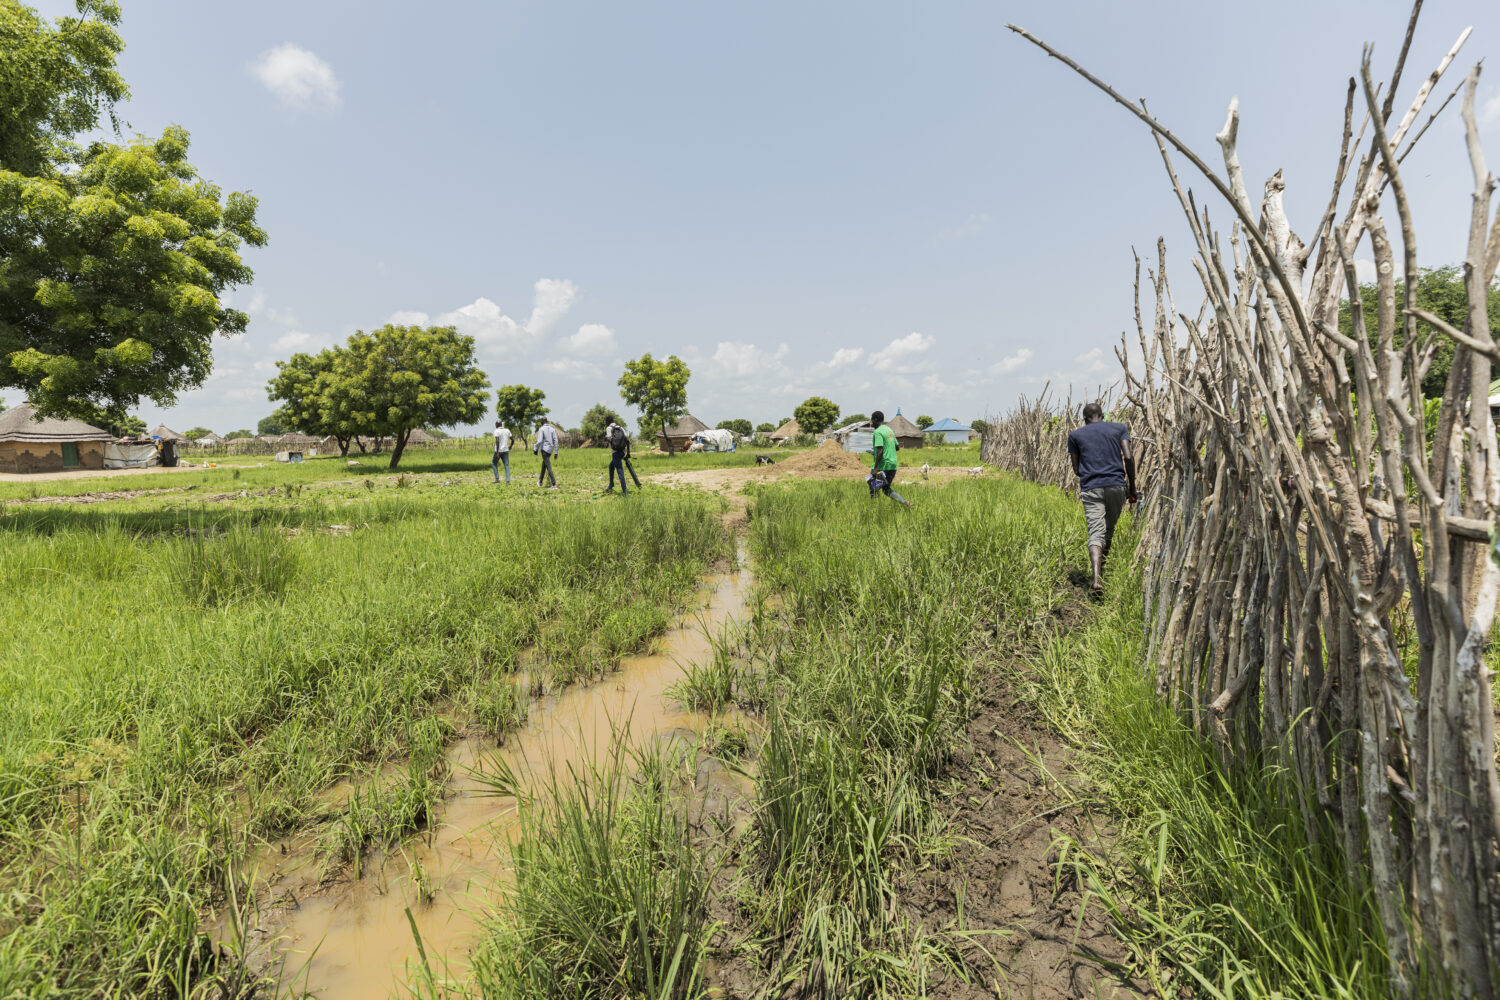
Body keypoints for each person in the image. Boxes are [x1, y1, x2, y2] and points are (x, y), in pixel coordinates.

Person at [1067, 402, 1137, 593]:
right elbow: (1128, 457)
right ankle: (1102, 571)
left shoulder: (1075, 435)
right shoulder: (1119, 428)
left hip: (1091, 488)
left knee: (1096, 532)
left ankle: (1097, 578)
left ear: (1084, 418)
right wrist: (1132, 487)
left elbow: (1076, 469)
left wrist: (1091, 471)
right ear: (1102, 415)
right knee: (1109, 529)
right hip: (1116, 486)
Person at [867, 410, 910, 506]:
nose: (872, 423)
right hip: (892, 465)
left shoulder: (877, 432)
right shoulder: (889, 430)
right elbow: (897, 447)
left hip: (883, 466)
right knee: (886, 489)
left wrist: (875, 468)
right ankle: (905, 503)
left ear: (875, 419)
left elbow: (880, 450)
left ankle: (874, 508)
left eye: (872, 420)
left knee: (873, 487)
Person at [604, 420, 631, 495]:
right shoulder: (621, 428)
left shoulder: (609, 428)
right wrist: (628, 453)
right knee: (611, 466)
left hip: (615, 452)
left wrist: (608, 441)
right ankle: (611, 485)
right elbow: (627, 440)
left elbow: (609, 438)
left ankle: (625, 490)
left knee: (620, 470)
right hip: (623, 451)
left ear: (607, 423)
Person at [534, 417, 558, 488]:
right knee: (544, 465)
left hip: (544, 450)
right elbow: (556, 441)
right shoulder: (552, 429)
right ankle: (540, 482)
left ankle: (554, 484)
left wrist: (535, 449)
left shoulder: (541, 429)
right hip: (550, 450)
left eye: (540, 421)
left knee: (548, 467)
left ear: (542, 422)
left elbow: (539, 441)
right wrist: (556, 452)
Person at [491, 419, 512, 483]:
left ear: (496, 425)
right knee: (506, 465)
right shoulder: (507, 430)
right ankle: (507, 480)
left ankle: (497, 479)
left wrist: (497, 452)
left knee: (494, 463)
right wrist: (511, 446)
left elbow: (497, 441)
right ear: (501, 424)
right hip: (505, 450)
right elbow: (513, 439)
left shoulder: (496, 431)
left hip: (499, 451)